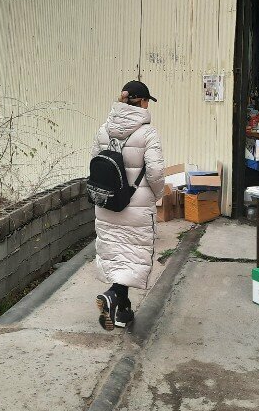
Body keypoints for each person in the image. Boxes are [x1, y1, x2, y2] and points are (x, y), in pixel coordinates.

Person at [91, 81, 165, 331]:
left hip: (106, 204)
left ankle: (122, 311)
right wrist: (157, 196)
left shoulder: (103, 130)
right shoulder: (148, 133)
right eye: (146, 101)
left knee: (118, 258)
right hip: (136, 206)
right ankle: (113, 296)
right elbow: (155, 173)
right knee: (131, 259)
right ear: (142, 102)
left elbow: (93, 164)